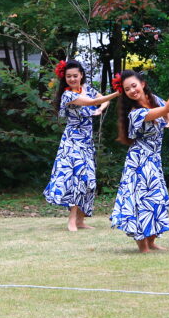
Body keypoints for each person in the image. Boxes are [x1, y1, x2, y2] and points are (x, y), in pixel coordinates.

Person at [111, 63, 169, 253]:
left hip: (153, 160)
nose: (132, 91)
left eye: (134, 86)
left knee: (156, 199)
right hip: (139, 162)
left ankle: (151, 242)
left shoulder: (152, 100)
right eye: (127, 89)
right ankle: (143, 246)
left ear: (142, 84)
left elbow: (167, 109)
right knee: (141, 201)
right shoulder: (136, 113)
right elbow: (168, 105)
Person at [43, 60, 121, 231]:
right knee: (76, 179)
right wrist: (116, 94)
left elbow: (100, 100)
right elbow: (92, 102)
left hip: (86, 142)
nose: (72, 79)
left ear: (81, 75)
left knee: (88, 180)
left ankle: (80, 220)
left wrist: (101, 109)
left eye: (75, 76)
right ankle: (71, 220)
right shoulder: (68, 95)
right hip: (72, 142)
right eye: (68, 76)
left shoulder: (87, 89)